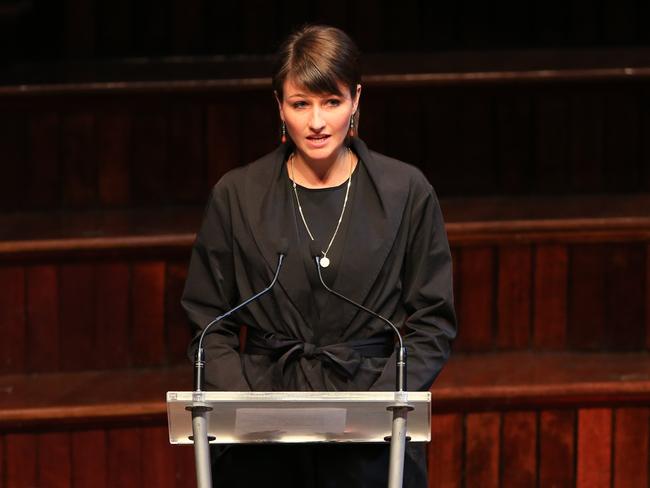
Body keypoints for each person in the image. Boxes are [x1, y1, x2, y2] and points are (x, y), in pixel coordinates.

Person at [182, 24, 456, 488]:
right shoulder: (237, 195)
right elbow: (207, 323)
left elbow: (434, 322)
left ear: (356, 101)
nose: (317, 122)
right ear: (279, 107)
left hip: (372, 426)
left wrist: (377, 402)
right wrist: (256, 405)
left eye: (331, 102)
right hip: (263, 430)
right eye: (300, 103)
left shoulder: (405, 191)